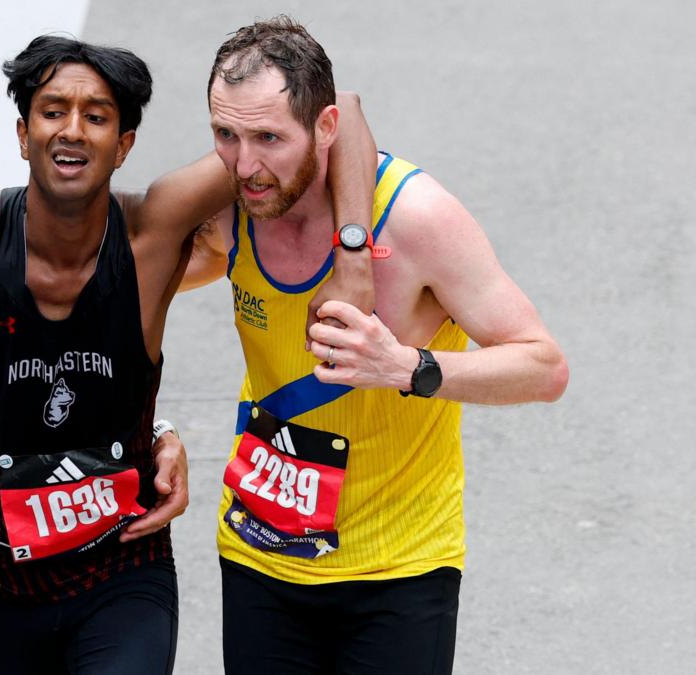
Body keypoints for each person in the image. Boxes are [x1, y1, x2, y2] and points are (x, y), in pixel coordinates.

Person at [0, 35, 379, 674]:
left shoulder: (154, 231)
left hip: (121, 569)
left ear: (124, 144)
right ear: (23, 134)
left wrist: (353, 256)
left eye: (97, 117)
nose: (71, 131)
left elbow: (341, 110)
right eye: (52, 112)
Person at [190, 17, 570, 674]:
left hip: (399, 568)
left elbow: (543, 365)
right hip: (261, 551)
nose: (245, 164)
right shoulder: (231, 209)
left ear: (326, 127)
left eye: (270, 138)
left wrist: (405, 366)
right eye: (226, 134)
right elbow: (115, 291)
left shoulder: (418, 218)